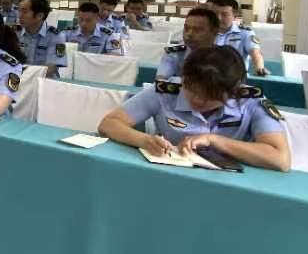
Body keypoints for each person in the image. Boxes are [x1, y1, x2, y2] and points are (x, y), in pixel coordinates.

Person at [98, 46, 291, 172]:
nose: (198, 101)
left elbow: (281, 159)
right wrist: (145, 140)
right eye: (191, 91)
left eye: (210, 97)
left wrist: (214, 140)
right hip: (171, 175)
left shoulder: (251, 101)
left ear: (233, 91)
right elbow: (109, 124)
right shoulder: (165, 92)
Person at [211, 0, 268, 76]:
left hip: (236, 79)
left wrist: (259, 67)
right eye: (215, 14)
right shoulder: (207, 32)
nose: (219, 18)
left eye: (224, 14)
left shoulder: (245, 33)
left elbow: (255, 52)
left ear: (235, 14)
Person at [156, 8, 219, 80]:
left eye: (197, 30)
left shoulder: (224, 58)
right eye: (186, 28)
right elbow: (161, 80)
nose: (189, 34)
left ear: (214, 32)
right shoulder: (174, 53)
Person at [17, 0, 67, 77]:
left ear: (39, 15)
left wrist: (26, 77)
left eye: (25, 12)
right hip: (19, 79)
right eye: (19, 11)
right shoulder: (15, 33)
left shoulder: (57, 37)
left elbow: (52, 68)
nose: (19, 15)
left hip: (44, 80)